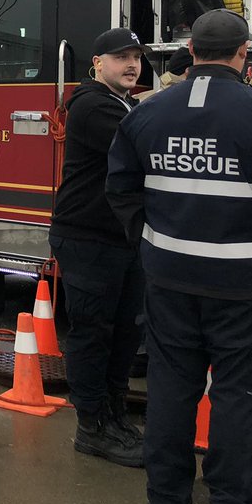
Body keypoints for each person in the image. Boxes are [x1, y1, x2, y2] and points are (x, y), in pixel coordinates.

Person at [107, 9, 252, 504]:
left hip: (169, 280)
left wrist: (158, 239)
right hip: (248, 288)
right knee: (241, 397)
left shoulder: (146, 113)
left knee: (170, 390)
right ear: (243, 53)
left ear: (191, 51)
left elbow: (120, 189)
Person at [48, 27, 146, 467]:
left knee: (124, 334)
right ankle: (92, 428)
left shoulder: (123, 103)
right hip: (87, 238)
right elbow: (141, 147)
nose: (131, 65)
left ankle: (115, 416)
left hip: (122, 239)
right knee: (92, 336)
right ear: (97, 63)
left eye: (137, 58)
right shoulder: (91, 105)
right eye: (121, 57)